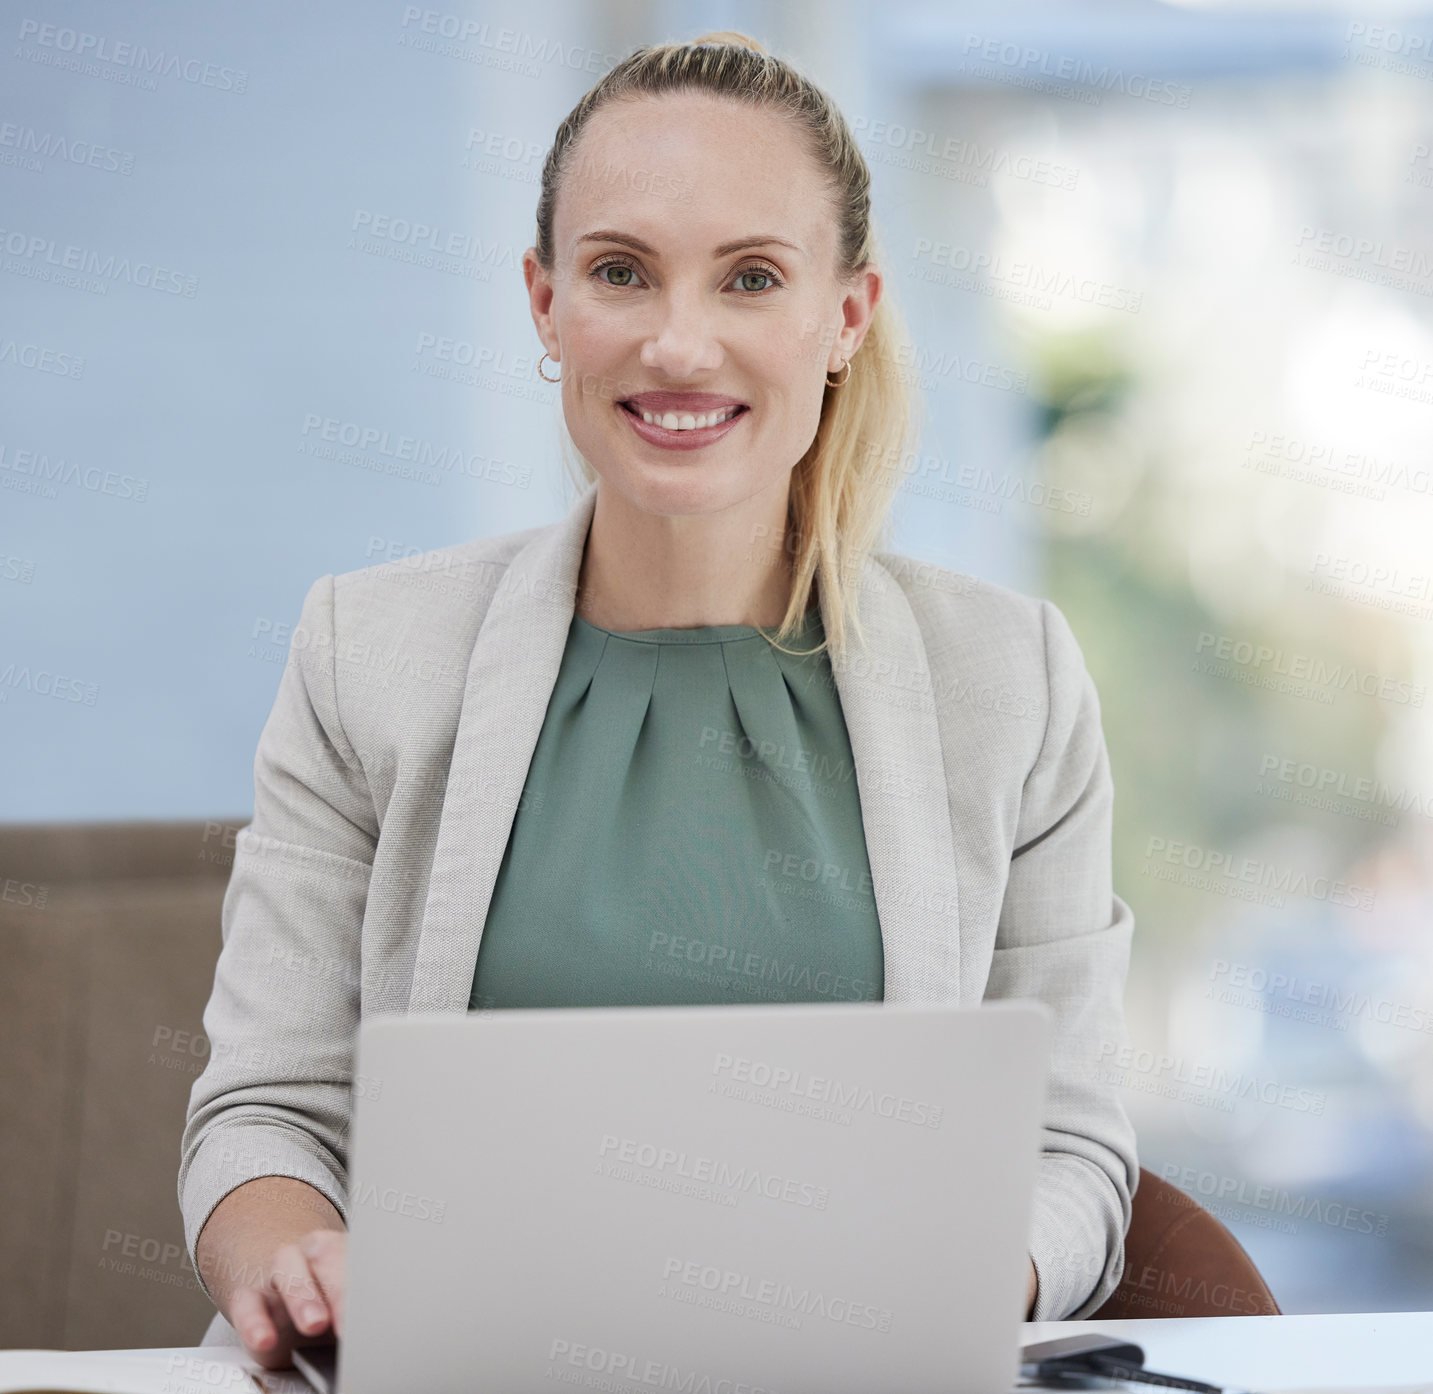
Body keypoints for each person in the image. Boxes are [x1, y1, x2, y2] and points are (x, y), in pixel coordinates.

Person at [179, 30, 1139, 1369]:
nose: (679, 344)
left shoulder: (1009, 679)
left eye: (751, 277)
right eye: (621, 273)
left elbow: (1073, 1143)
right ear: (544, 304)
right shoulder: (368, 651)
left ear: (845, 317)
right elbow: (265, 1113)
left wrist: (969, 1274)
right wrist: (294, 1259)